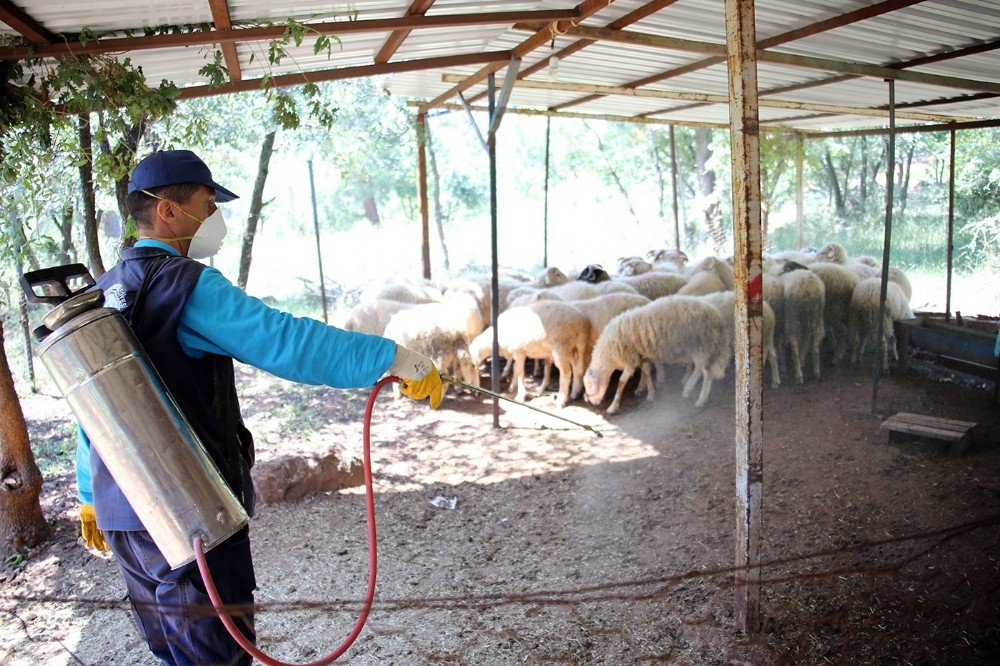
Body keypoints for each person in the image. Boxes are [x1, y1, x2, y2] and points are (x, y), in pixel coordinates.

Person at [75, 149, 442, 666]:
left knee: (172, 651)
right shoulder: (185, 286)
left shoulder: (102, 291)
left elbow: (89, 402)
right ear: (167, 211)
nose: (214, 219)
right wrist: (392, 356)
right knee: (215, 655)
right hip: (191, 516)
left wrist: (91, 494)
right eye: (208, 204)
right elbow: (283, 340)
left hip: (126, 519)